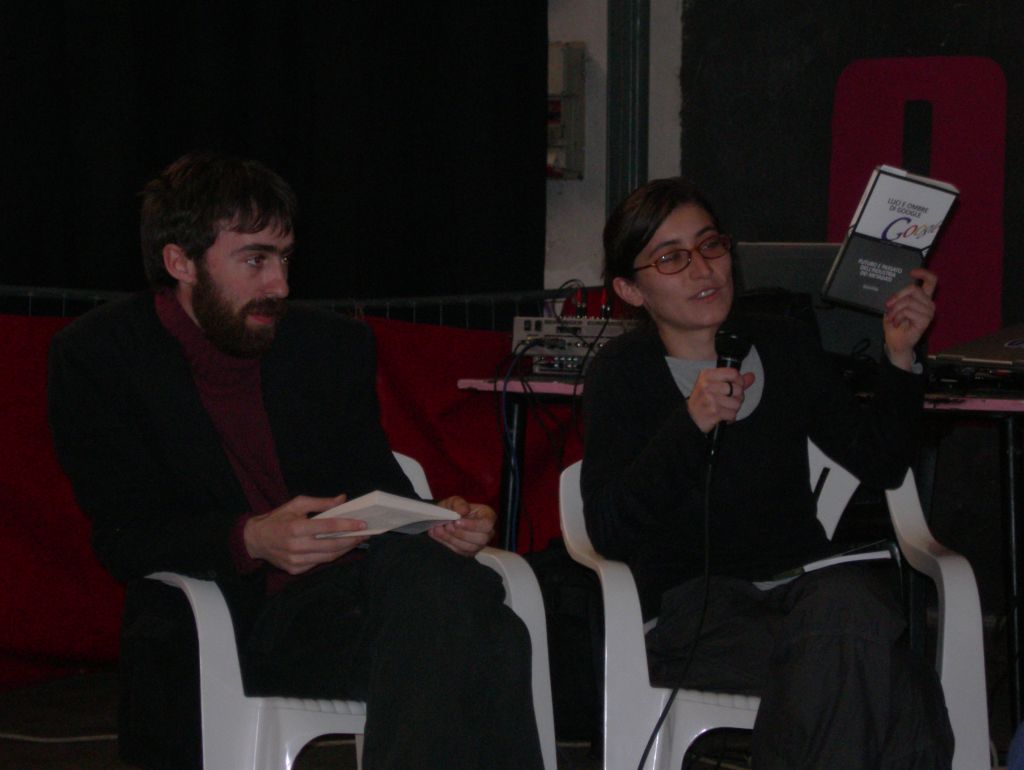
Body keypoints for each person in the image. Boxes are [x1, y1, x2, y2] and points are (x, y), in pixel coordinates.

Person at [48, 151, 543, 770]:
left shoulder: (329, 345)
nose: (279, 285)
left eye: (284, 258)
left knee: (451, 602)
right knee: (479, 624)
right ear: (180, 262)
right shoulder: (99, 358)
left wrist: (436, 519)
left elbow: (373, 485)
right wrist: (251, 538)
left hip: (350, 606)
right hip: (225, 619)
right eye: (255, 259)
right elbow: (123, 536)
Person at [581, 177, 954, 769]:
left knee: (849, 616)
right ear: (631, 289)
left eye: (711, 246)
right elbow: (608, 527)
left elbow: (880, 463)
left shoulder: (782, 344)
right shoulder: (621, 373)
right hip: (694, 616)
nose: (703, 270)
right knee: (889, 675)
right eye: (672, 258)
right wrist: (690, 425)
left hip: (805, 597)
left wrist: (900, 359)